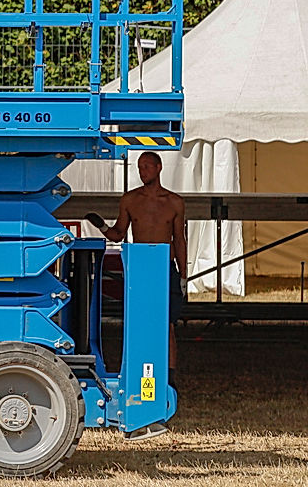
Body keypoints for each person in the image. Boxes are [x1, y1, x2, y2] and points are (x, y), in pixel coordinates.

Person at [85, 150, 186, 440]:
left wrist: (183, 275)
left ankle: (169, 380)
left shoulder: (174, 202)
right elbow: (119, 234)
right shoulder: (130, 200)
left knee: (167, 326)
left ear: (159, 167)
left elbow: (179, 239)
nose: (143, 172)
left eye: (147, 166)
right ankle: (140, 379)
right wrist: (101, 225)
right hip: (140, 268)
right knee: (140, 327)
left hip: (164, 267)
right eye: (140, 167)